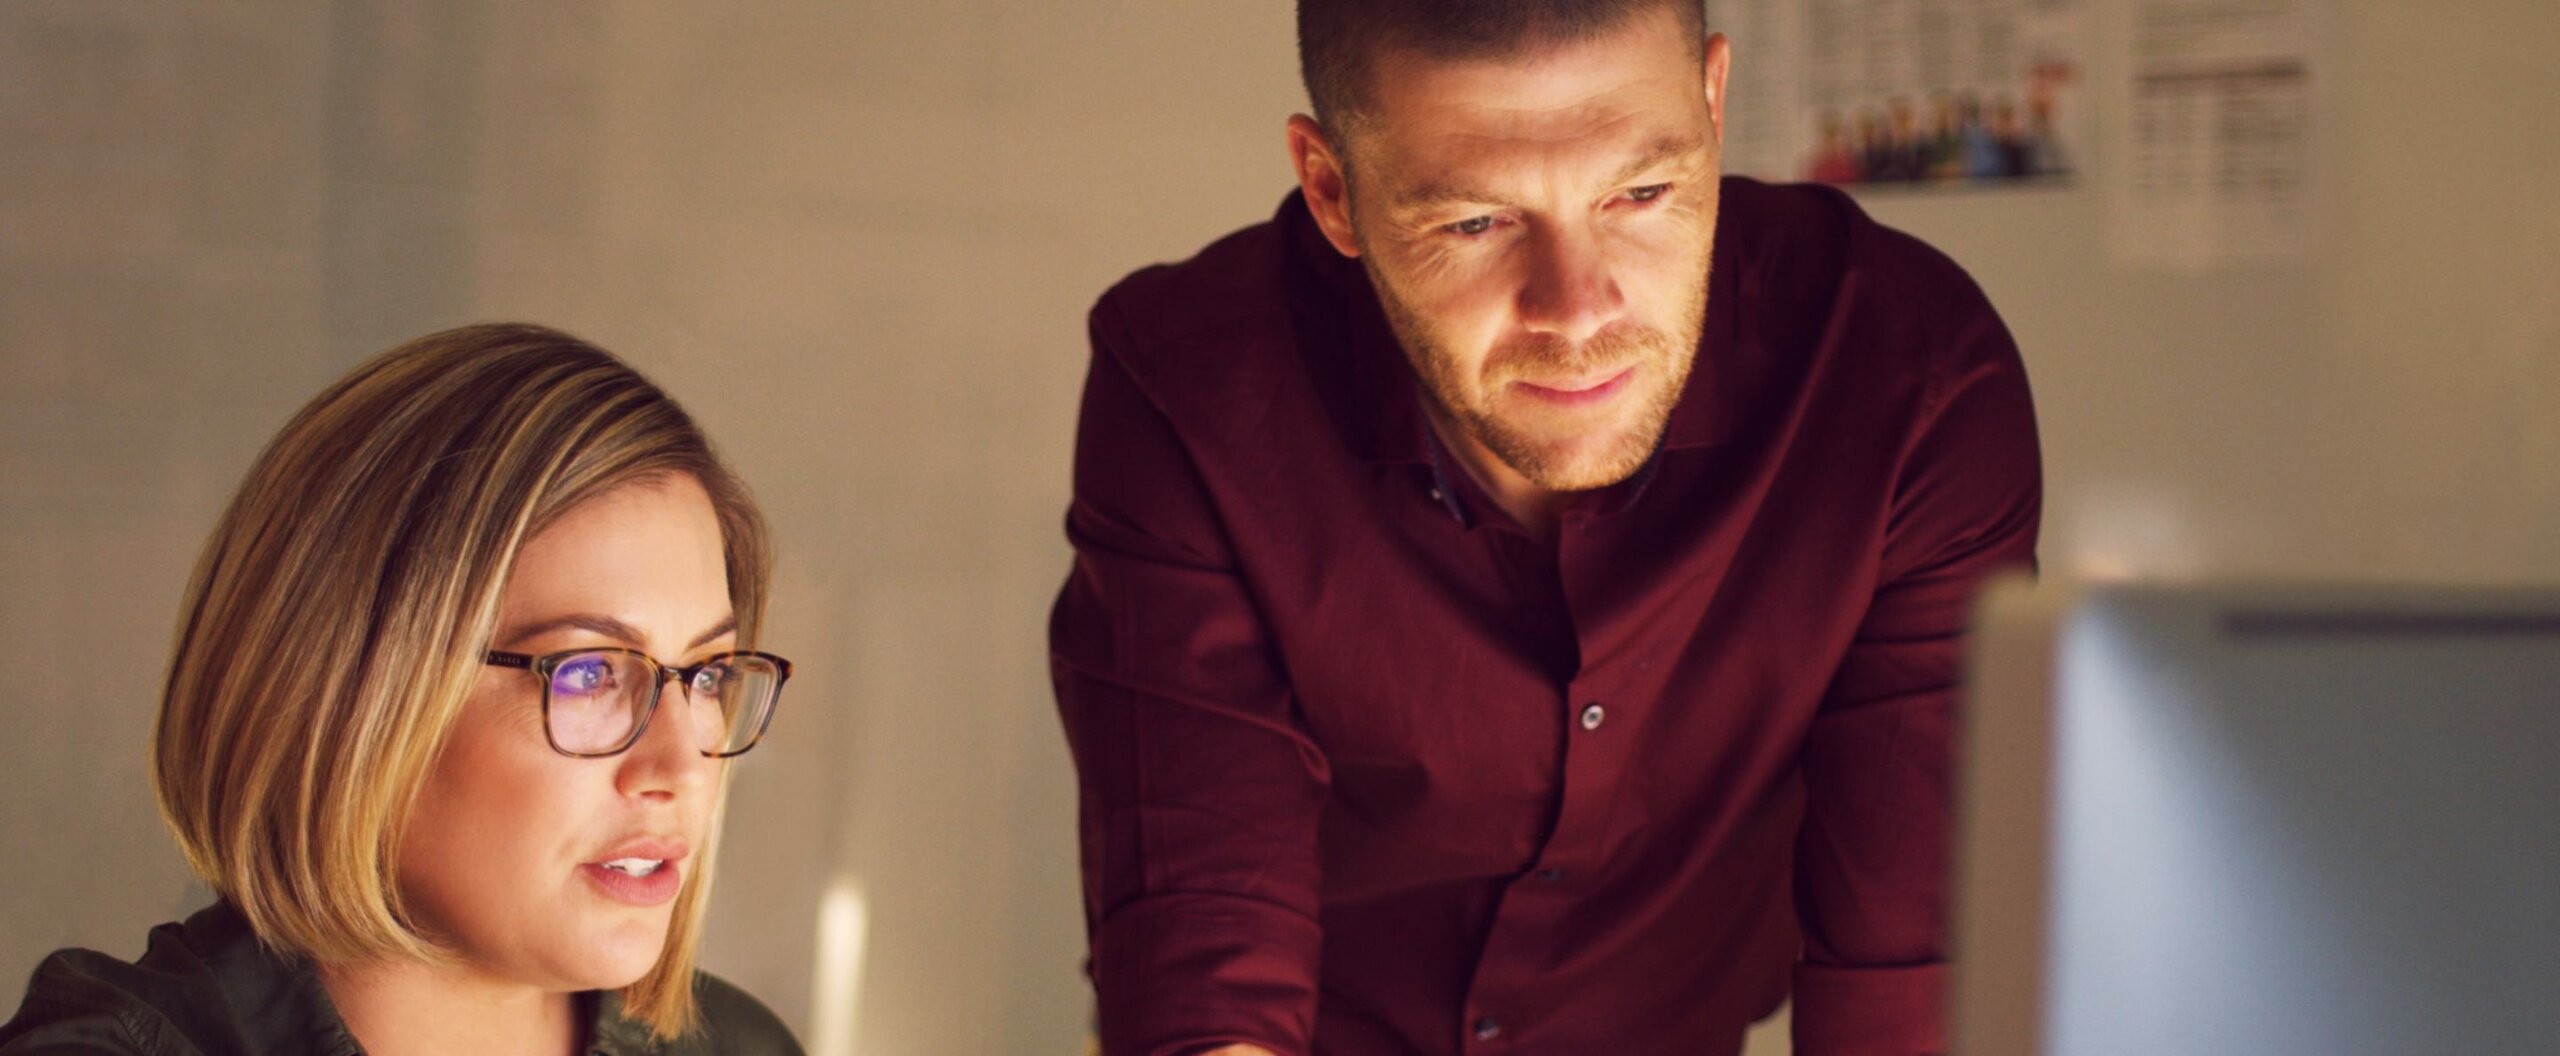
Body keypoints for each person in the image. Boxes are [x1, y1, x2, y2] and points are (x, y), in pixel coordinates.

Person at [1049, 2, 2040, 1055]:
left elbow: (1911, 970)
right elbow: (1203, 950)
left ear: (1711, 104)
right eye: (1476, 222)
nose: (1575, 312)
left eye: (1642, 192)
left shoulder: (1908, 378)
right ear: (1331, 190)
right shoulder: (1192, 391)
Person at [0, 324, 805, 1056]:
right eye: (590, 672)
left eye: (704, 675)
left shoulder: (740, 1047)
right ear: (350, 693)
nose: (686, 765)